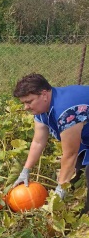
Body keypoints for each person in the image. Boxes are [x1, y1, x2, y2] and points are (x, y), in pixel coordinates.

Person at [12, 73, 89, 212]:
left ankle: (84, 225)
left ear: (44, 94)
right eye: (23, 103)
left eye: (29, 102)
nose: (26, 107)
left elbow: (70, 153)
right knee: (76, 173)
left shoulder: (66, 111)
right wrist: (26, 170)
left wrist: (60, 188)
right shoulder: (41, 110)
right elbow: (38, 142)